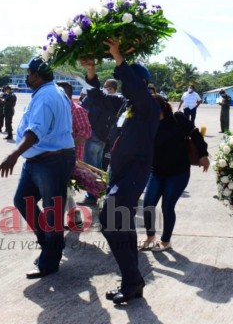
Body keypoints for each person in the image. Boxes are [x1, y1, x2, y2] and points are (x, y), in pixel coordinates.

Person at [79, 39, 160, 305]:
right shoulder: (126, 105)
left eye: (128, 83)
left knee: (110, 219)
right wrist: (91, 72)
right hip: (118, 172)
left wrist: (117, 56)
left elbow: (136, 90)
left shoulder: (150, 106)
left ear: (141, 84)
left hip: (135, 172)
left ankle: (133, 279)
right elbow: (99, 97)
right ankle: (132, 281)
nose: (125, 88)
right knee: (118, 225)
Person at [0, 56, 75, 279]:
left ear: (38, 75)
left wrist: (13, 154)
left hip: (50, 160)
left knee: (52, 212)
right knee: (23, 200)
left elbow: (35, 132)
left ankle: (49, 262)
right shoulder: (51, 91)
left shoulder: (46, 95)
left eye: (29, 73)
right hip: (41, 159)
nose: (27, 77)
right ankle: (50, 246)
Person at [140, 95, 209, 252]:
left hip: (178, 172)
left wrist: (203, 155)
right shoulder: (147, 123)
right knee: (148, 204)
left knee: (167, 206)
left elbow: (196, 134)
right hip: (156, 172)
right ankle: (150, 237)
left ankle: (166, 241)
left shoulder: (177, 118)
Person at [80, 78, 124, 206]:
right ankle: (98, 192)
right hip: (103, 137)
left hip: (93, 136)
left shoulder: (96, 99)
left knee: (91, 167)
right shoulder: (114, 101)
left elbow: (84, 113)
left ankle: (92, 195)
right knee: (98, 167)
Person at [57, 81, 91, 227]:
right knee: (65, 188)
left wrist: (68, 149)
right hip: (57, 156)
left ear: (67, 94)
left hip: (71, 157)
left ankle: (63, 220)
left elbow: (85, 132)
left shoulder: (77, 110)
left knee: (64, 188)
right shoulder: (59, 109)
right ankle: (75, 218)